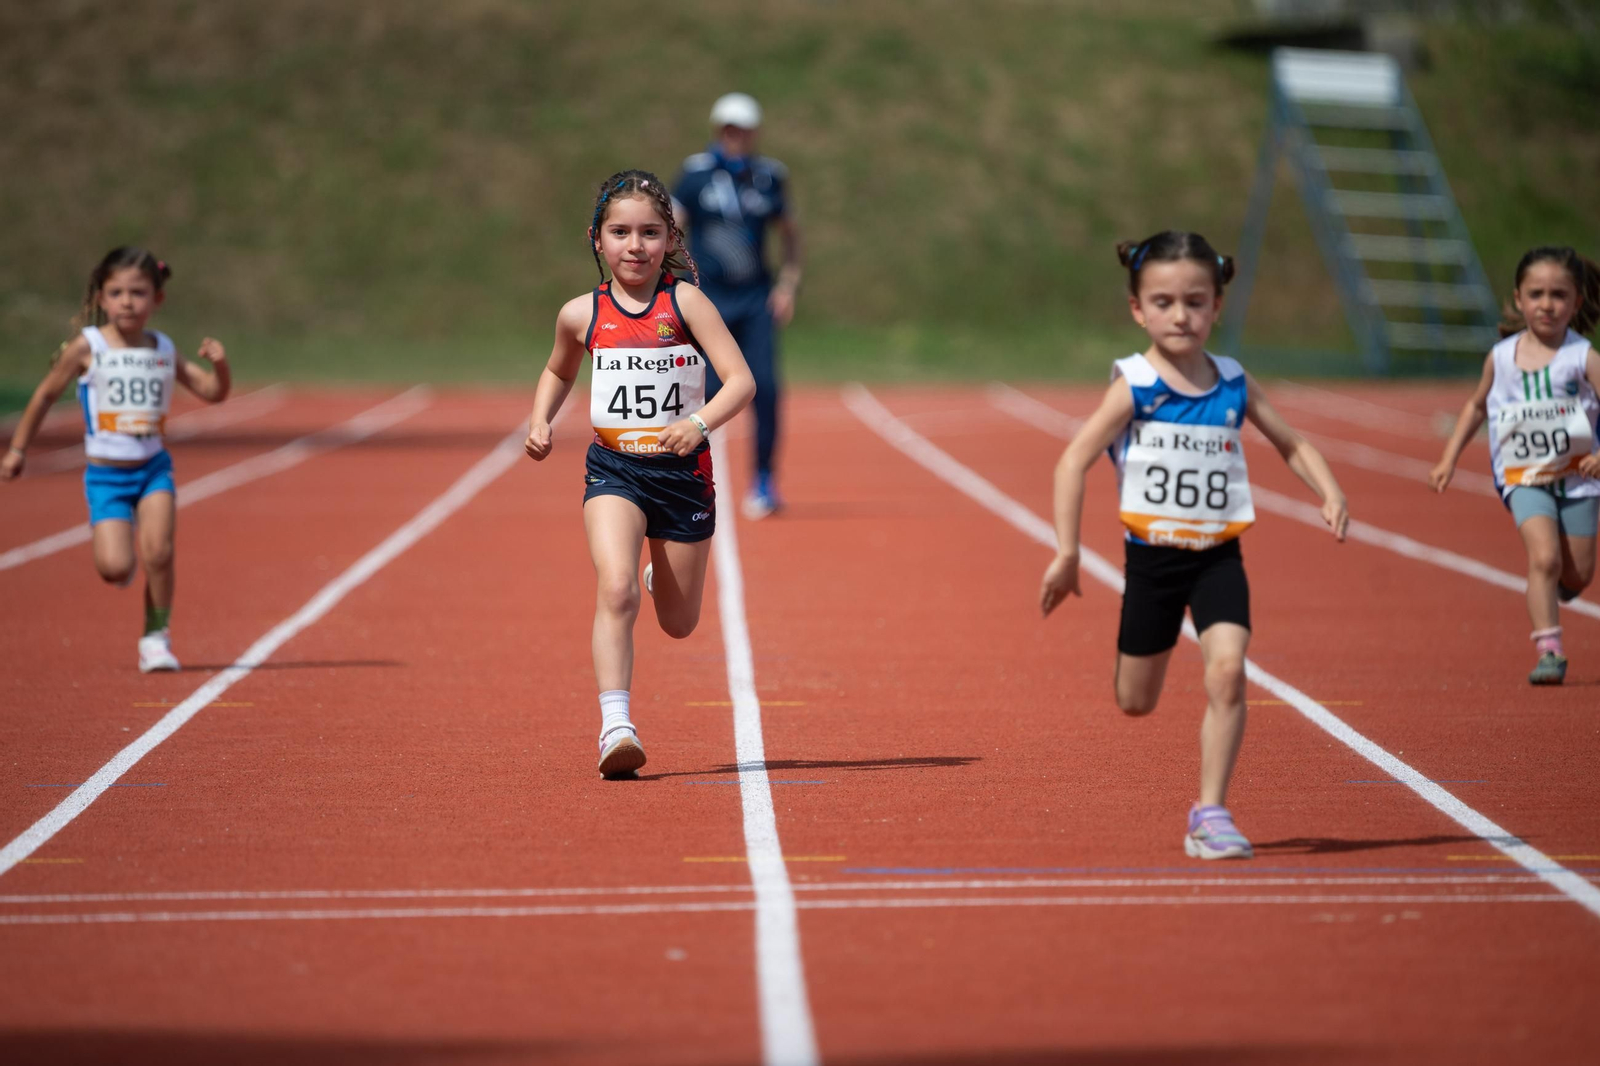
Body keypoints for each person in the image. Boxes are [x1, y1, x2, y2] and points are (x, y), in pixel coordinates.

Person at [1038, 231, 1348, 860]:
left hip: (1217, 557)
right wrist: (1067, 552)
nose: (1180, 315)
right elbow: (1073, 462)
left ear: (1217, 306)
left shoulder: (1234, 383)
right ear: (1137, 309)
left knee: (1229, 672)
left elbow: (1293, 442)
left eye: (1195, 301)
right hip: (1152, 564)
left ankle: (1211, 812)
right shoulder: (1135, 385)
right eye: (1163, 302)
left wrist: (1330, 489)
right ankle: (1153, 698)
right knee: (1135, 702)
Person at [524, 169, 755, 778]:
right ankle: (616, 725)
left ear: (671, 239)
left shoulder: (686, 303)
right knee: (616, 588)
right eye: (620, 232)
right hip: (615, 471)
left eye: (650, 233)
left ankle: (662, 576)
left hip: (683, 477)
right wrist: (541, 418)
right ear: (597, 240)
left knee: (680, 625)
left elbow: (741, 382)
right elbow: (558, 371)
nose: (635, 246)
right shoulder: (580, 314)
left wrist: (700, 423)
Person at [2, 247, 231, 672]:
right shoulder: (86, 347)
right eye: (117, 292)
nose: (127, 301)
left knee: (160, 553)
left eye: (138, 292)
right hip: (106, 476)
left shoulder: (162, 347)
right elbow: (45, 395)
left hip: (153, 470)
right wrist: (17, 449)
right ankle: (122, 563)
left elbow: (213, 393)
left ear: (156, 298)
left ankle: (156, 638)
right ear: (101, 298)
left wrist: (221, 367)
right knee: (114, 568)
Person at [1430, 246, 1600, 685]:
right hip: (1524, 477)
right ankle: (1549, 649)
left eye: (1559, 295)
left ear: (1577, 302)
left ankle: (1560, 589)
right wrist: (1449, 458)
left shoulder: (1583, 358)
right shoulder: (1502, 357)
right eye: (1537, 294)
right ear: (1519, 299)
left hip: (1579, 480)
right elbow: (1475, 407)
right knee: (1543, 558)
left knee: (1577, 574)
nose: (1547, 304)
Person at [672, 92, 802, 520]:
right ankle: (682, 476)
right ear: (718, 130)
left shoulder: (768, 177)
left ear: (753, 133)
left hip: (754, 301)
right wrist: (671, 288)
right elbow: (669, 230)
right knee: (700, 391)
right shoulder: (695, 176)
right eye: (729, 129)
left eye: (743, 130)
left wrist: (787, 284)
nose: (735, 137)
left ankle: (764, 480)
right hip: (707, 300)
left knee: (764, 387)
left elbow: (790, 234)